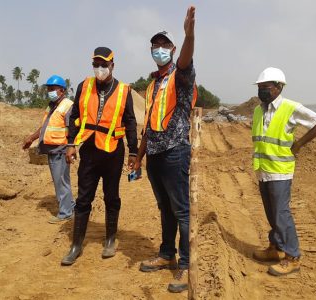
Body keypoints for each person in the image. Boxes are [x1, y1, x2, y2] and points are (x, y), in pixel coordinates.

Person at [133, 6, 197, 293]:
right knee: (164, 208)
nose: (159, 49)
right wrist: (138, 157)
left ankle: (185, 265)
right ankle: (166, 253)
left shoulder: (179, 77)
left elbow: (185, 60)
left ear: (172, 49)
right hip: (156, 155)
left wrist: (189, 34)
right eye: (155, 45)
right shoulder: (151, 85)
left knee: (182, 210)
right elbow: (148, 124)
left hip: (176, 151)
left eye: (164, 45)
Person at [61, 47, 138, 265]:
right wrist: (71, 144)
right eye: (96, 64)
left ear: (113, 65)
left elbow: (130, 121)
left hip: (114, 151)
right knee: (84, 197)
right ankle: (76, 245)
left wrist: (133, 150)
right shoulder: (83, 86)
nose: (100, 69)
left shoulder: (124, 90)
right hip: (89, 150)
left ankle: (110, 239)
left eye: (104, 64)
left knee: (111, 197)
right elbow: (74, 115)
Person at [251, 67, 316, 276]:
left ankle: (293, 257)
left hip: (280, 171)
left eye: (265, 87)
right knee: (271, 213)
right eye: (259, 87)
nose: (262, 91)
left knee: (281, 214)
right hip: (263, 170)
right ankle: (275, 248)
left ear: (278, 87)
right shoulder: (259, 110)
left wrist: (299, 144)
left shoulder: (290, 107)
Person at [22, 75, 76, 224]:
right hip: (52, 149)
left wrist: (71, 148)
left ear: (62, 90)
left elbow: (72, 129)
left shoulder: (67, 105)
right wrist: (31, 138)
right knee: (60, 180)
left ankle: (66, 212)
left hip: (61, 149)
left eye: (52, 89)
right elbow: (45, 126)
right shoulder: (52, 106)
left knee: (61, 181)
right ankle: (70, 206)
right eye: (48, 89)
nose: (49, 91)